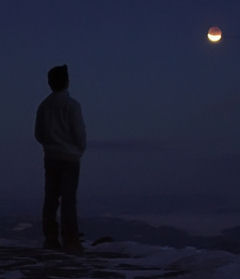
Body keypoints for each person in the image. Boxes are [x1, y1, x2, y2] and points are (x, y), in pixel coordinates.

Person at [35, 65, 86, 252]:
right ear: (66, 82)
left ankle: (50, 239)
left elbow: (38, 133)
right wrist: (78, 149)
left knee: (51, 198)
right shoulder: (72, 105)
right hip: (70, 157)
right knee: (68, 199)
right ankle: (71, 241)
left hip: (51, 156)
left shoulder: (44, 106)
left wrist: (50, 145)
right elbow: (79, 132)